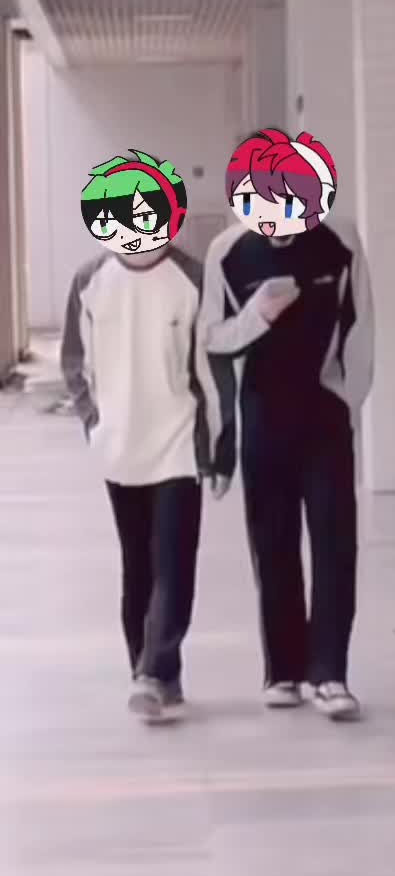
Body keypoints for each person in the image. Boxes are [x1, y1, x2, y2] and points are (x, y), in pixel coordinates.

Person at [199, 128, 374, 721]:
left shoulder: (340, 242)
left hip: (325, 412)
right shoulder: (228, 253)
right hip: (263, 410)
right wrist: (257, 316)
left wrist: (348, 398)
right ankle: (284, 671)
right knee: (272, 541)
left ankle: (331, 674)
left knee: (333, 540)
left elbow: (362, 327)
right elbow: (212, 338)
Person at [61, 149, 234, 723]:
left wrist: (219, 449)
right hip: (119, 447)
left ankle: (152, 673)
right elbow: (74, 362)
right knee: (138, 566)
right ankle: (157, 672)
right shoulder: (90, 280)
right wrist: (94, 421)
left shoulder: (192, 279)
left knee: (174, 564)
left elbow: (213, 371)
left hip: (178, 445)